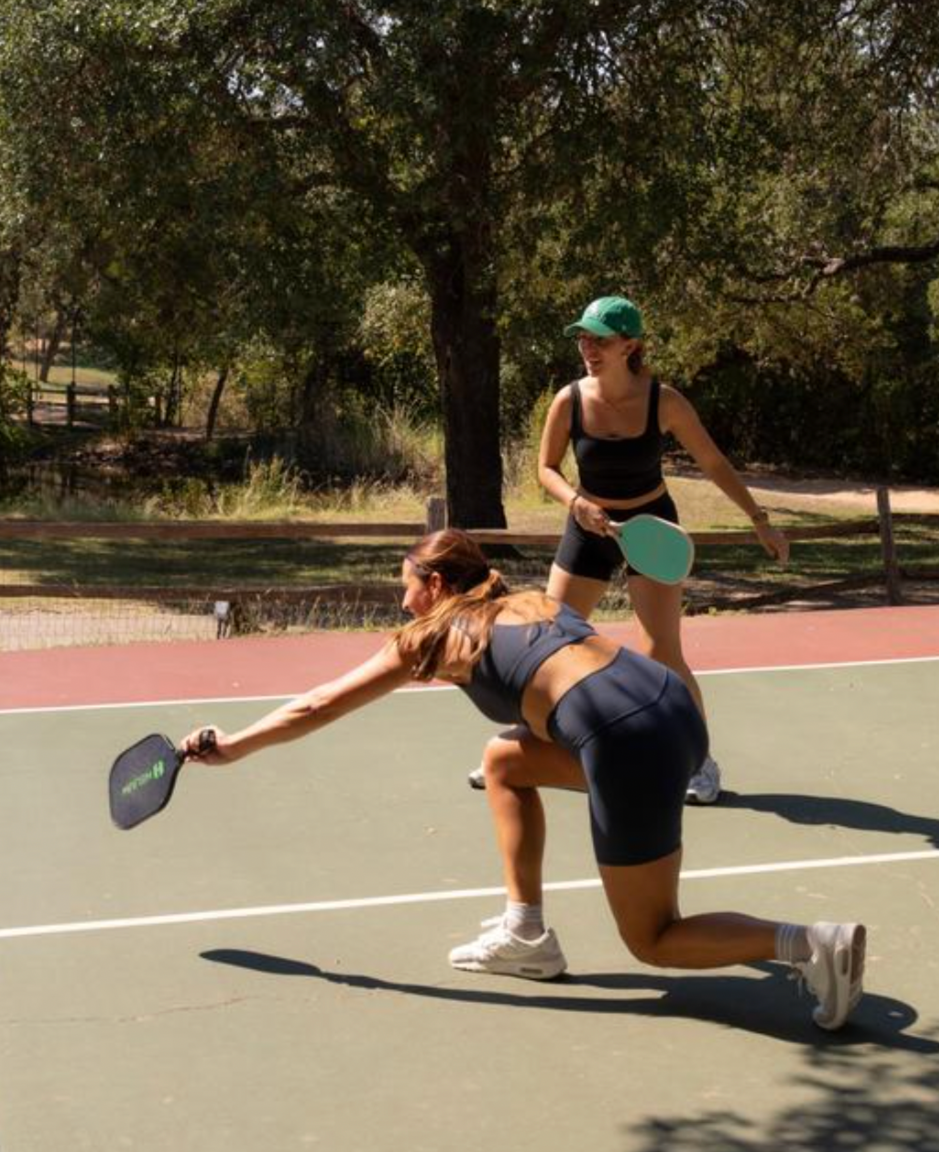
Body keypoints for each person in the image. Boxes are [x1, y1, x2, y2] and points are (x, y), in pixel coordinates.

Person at [182, 528, 865, 1031]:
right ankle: (525, 934)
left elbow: (318, 704)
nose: (401, 602)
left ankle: (809, 943)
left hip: (628, 742)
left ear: (438, 586)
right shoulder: (533, 601)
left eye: (407, 587)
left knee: (652, 937)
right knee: (504, 761)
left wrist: (235, 746)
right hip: (677, 712)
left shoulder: (429, 639)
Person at [470, 295, 790, 804]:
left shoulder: (665, 401)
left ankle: (700, 763)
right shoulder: (568, 400)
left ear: (631, 345)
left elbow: (714, 462)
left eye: (600, 339)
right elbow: (545, 469)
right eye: (583, 338)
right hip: (589, 528)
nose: (588, 348)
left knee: (661, 653)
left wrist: (760, 521)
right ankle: (521, 751)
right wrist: (576, 504)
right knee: (548, 642)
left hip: (652, 528)